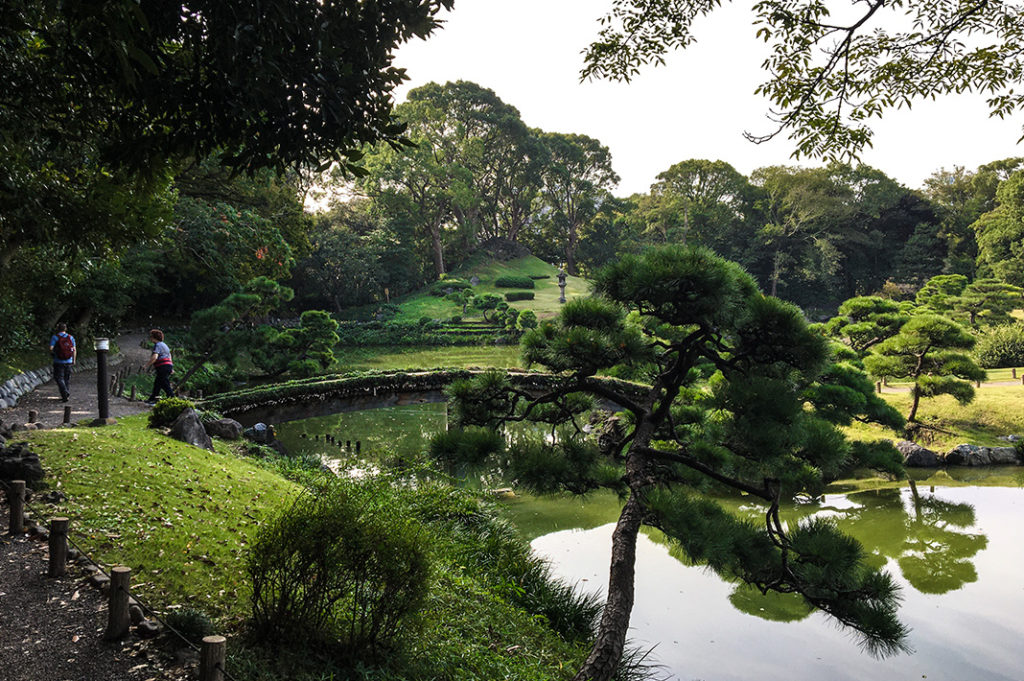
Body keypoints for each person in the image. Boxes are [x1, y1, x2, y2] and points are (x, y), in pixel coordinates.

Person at [144, 329, 175, 405]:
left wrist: (146, 365)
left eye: (151, 337)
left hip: (163, 367)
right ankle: (153, 398)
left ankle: (172, 398)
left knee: (164, 383)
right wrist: (171, 367)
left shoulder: (157, 345)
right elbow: (169, 356)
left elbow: (155, 357)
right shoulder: (165, 345)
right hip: (167, 366)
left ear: (154, 337)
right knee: (158, 383)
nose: (150, 338)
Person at [49, 322, 76, 403]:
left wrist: (55, 352)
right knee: (66, 378)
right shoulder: (70, 337)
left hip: (58, 361)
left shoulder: (55, 337)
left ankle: (64, 393)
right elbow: (74, 349)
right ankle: (66, 393)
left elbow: (51, 348)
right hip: (69, 361)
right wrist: (74, 360)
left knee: (59, 378)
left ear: (58, 329)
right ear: (65, 329)